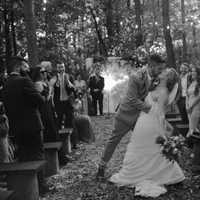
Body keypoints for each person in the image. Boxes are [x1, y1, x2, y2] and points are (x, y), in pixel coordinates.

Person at [109, 68, 185, 197]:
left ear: (168, 79)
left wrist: (164, 131)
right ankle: (142, 172)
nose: (161, 73)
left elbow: (161, 114)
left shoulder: (164, 91)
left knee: (153, 149)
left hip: (151, 125)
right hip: (142, 121)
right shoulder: (154, 87)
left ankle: (162, 174)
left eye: (164, 73)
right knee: (140, 147)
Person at [96, 54, 166, 179]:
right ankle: (101, 167)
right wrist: (151, 109)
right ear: (151, 66)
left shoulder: (155, 77)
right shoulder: (136, 77)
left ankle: (148, 168)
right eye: (159, 69)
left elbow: (147, 92)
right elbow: (133, 99)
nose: (161, 72)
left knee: (149, 139)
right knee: (114, 141)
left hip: (140, 117)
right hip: (125, 115)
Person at [2, 56, 48, 194]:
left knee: (24, 157)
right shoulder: (24, 81)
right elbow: (40, 101)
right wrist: (42, 92)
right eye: (26, 67)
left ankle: (27, 189)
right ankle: (41, 187)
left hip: (16, 129)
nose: (28, 70)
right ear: (19, 67)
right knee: (38, 156)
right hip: (32, 126)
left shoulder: (6, 84)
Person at [52, 63, 75, 129]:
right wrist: (56, 83)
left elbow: (73, 89)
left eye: (62, 67)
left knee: (69, 119)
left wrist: (68, 82)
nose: (61, 69)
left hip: (68, 102)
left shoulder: (69, 76)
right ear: (57, 69)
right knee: (59, 120)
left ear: (64, 67)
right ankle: (59, 137)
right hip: (58, 102)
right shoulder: (54, 77)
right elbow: (52, 89)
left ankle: (70, 136)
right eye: (59, 67)